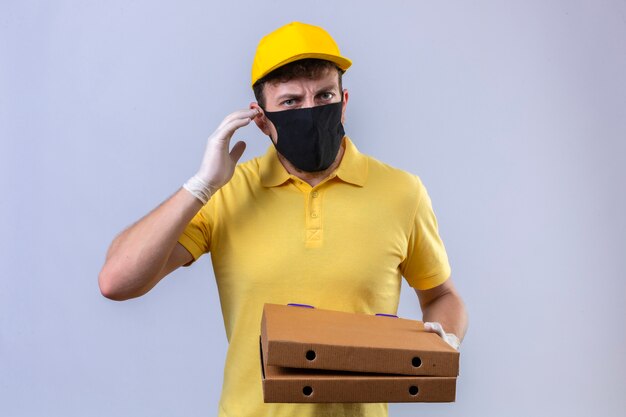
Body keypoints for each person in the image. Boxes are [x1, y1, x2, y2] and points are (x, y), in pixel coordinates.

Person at [99, 21, 468, 417]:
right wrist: (201, 185)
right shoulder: (227, 193)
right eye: (291, 102)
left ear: (343, 101)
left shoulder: (402, 192)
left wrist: (442, 342)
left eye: (324, 95)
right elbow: (117, 282)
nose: (311, 110)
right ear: (261, 120)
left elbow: (441, 296)